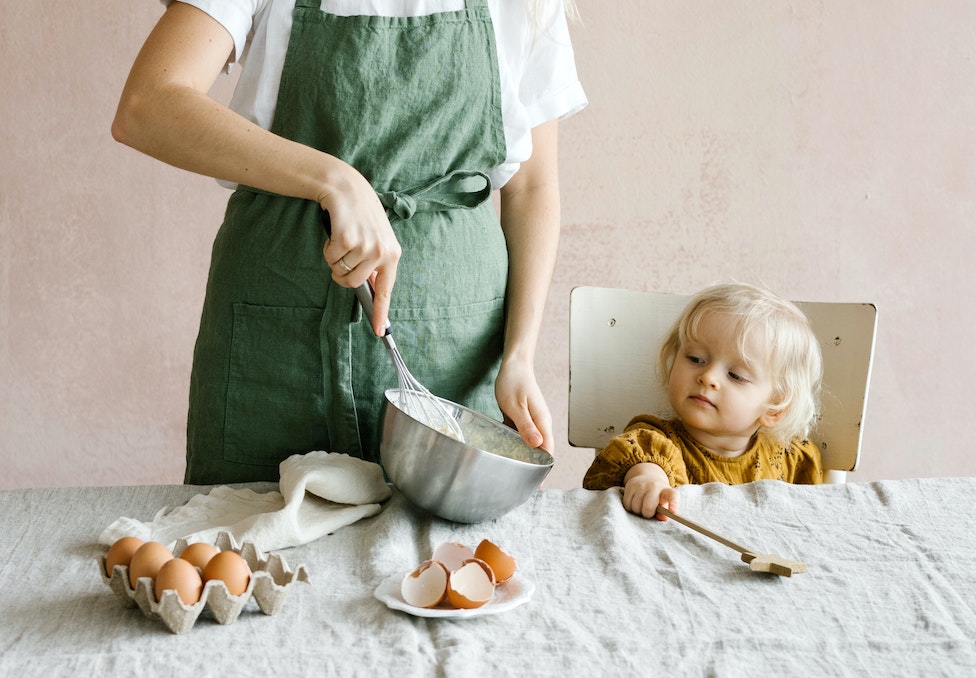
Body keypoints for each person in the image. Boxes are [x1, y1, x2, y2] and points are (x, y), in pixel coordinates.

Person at [112, 1, 587, 484]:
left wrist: (520, 355)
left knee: (441, 559)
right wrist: (335, 180)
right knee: (249, 548)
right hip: (271, 349)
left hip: (456, 356)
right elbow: (148, 103)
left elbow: (532, 189)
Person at [582, 282, 824, 519]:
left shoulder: (793, 460)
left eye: (736, 375)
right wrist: (647, 481)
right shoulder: (655, 442)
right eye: (696, 359)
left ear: (775, 407)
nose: (708, 377)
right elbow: (641, 462)